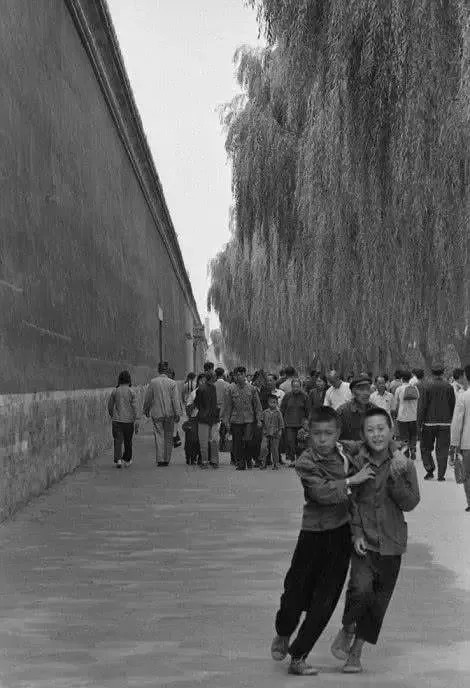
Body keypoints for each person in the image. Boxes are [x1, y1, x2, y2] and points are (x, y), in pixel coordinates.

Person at [270, 407, 375, 676]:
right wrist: (352, 479)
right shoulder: (305, 461)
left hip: (341, 534)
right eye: (317, 434)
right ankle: (283, 632)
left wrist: (393, 446)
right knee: (294, 592)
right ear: (309, 433)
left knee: (326, 599)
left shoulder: (345, 450)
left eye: (328, 433)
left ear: (337, 433)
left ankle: (299, 655)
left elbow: (372, 443)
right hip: (313, 534)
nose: (322, 439)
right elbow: (322, 493)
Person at [331, 407, 420, 674]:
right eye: (370, 430)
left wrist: (396, 477)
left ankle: (356, 653)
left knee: (378, 602)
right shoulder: (358, 462)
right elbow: (352, 501)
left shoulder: (404, 464)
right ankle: (347, 627)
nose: (377, 434)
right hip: (364, 540)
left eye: (381, 428)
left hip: (393, 542)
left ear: (391, 431)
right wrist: (356, 532)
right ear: (363, 435)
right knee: (360, 588)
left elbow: (412, 502)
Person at [417, 360, 455, 481]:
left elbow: (422, 406)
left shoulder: (426, 386)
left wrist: (419, 423)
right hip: (445, 423)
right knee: (443, 449)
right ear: (443, 372)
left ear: (432, 372)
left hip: (429, 423)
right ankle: (441, 475)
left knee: (425, 448)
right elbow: (452, 404)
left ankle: (429, 470)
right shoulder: (448, 386)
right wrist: (450, 419)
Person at [222, 366, 262, 470]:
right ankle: (240, 462)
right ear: (234, 376)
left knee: (248, 441)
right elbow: (228, 406)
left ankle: (248, 460)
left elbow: (257, 406)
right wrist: (226, 421)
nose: (239, 377)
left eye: (241, 374)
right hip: (236, 420)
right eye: (237, 375)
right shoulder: (230, 389)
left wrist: (259, 419)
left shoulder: (252, 389)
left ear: (245, 375)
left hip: (249, 419)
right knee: (237, 442)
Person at [143, 362, 181, 466]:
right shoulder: (172, 383)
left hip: (157, 414)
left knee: (159, 436)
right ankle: (166, 459)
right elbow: (175, 400)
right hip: (169, 414)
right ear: (167, 370)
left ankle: (160, 459)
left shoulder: (153, 382)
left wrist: (145, 410)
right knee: (168, 436)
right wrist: (177, 413)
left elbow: (148, 398)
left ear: (158, 370)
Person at [107, 370, 139, 468]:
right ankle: (127, 459)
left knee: (117, 440)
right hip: (128, 421)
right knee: (128, 441)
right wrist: (136, 418)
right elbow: (135, 407)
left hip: (117, 420)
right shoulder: (131, 391)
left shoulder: (115, 391)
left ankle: (118, 460)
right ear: (129, 380)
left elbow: (110, 405)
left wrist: (112, 415)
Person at [450, 363, 470, 512]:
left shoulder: (464, 397)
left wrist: (455, 443)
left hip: (467, 442)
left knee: (468, 474)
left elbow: (457, 422)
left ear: (466, 377)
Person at [280, 378, 310, 466]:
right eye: (294, 387)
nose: (295, 388)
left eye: (297, 387)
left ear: (300, 387)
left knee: (300, 444)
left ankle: (299, 460)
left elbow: (308, 411)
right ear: (291, 387)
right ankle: (292, 459)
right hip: (289, 423)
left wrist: (307, 423)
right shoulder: (287, 396)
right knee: (290, 442)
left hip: (301, 424)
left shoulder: (305, 396)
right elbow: (282, 409)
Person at [337, 376, 376, 441]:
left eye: (368, 389)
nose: (366, 393)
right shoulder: (342, 412)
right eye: (361, 389)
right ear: (353, 392)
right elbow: (335, 439)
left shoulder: (375, 410)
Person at [195, 371, 220, 469]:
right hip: (213, 418)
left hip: (203, 418)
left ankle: (204, 461)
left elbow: (197, 402)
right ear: (212, 378)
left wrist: (202, 410)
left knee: (203, 442)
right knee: (214, 441)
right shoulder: (214, 388)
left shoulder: (200, 388)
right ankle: (214, 461)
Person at [394, 371, 419, 460]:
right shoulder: (415, 388)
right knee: (413, 434)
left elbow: (396, 404)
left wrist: (395, 414)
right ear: (409, 379)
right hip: (413, 416)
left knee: (404, 436)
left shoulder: (399, 389)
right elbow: (418, 400)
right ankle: (412, 448)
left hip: (402, 417)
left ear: (402, 379)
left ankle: (406, 452)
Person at [259, 394, 284, 470]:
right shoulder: (265, 412)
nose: (272, 404)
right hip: (265, 433)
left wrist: (280, 431)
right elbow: (261, 421)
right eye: (271, 402)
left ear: (277, 403)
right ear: (268, 403)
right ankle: (263, 463)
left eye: (274, 402)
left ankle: (276, 463)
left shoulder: (278, 412)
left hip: (275, 433)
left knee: (275, 449)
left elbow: (281, 423)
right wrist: (260, 424)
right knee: (263, 448)